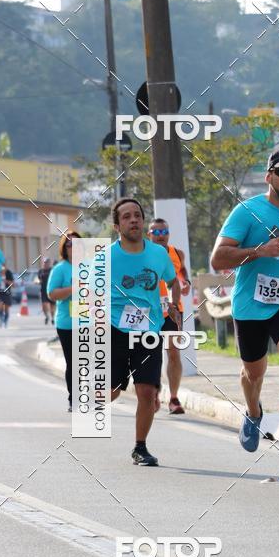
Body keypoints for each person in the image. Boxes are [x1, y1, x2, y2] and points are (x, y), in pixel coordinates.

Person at [210, 147, 279, 480]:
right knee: (253, 374)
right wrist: (259, 251)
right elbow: (218, 259)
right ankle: (253, 411)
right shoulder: (247, 212)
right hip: (251, 304)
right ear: (269, 176)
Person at [110, 198, 180, 467]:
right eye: (126, 217)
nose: (134, 220)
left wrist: (172, 305)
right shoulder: (107, 258)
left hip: (149, 329)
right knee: (112, 391)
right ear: (117, 225)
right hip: (115, 330)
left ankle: (140, 447)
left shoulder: (158, 254)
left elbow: (173, 280)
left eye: (137, 215)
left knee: (147, 393)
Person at [147, 217, 192, 415]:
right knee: (152, 354)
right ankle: (154, 393)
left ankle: (173, 398)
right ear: (149, 235)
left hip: (173, 309)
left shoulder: (177, 253)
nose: (160, 235)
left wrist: (186, 281)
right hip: (149, 311)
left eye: (164, 231)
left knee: (173, 352)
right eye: (155, 232)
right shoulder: (142, 254)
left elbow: (181, 271)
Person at [47, 232, 81, 412]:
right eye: (69, 245)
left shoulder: (91, 267)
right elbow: (51, 294)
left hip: (88, 321)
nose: (73, 247)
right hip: (67, 323)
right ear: (64, 249)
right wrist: (73, 288)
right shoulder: (60, 269)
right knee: (74, 361)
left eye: (77, 244)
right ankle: (73, 398)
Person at [38, 258, 55, 324]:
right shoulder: (41, 271)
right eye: (44, 262)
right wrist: (38, 282)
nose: (45, 264)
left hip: (51, 290)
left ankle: (53, 318)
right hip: (43, 291)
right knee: (44, 305)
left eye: (47, 262)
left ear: (49, 263)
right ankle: (47, 316)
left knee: (52, 306)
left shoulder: (52, 270)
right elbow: (39, 279)